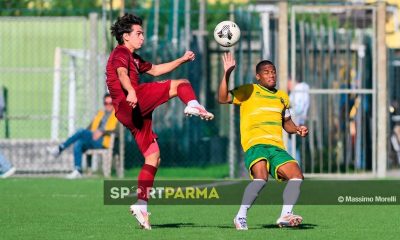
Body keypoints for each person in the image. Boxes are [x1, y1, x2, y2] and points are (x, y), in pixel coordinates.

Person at [106, 14, 214, 230]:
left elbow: (155, 69)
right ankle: (192, 103)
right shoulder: (120, 53)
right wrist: (130, 92)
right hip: (130, 101)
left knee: (153, 157)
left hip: (132, 113)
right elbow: (121, 74)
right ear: (125, 36)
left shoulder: (135, 58)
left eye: (143, 33)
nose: (142, 37)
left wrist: (181, 59)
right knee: (181, 84)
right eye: (138, 33)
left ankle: (141, 205)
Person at [218, 52, 308, 230]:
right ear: (258, 76)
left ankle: (285, 215)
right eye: (266, 72)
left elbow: (287, 123)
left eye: (273, 71)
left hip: (276, 146)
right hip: (255, 144)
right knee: (261, 178)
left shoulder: (282, 96)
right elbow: (222, 98)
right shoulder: (248, 90)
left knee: (297, 175)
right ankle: (241, 216)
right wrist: (227, 73)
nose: (271, 74)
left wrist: (297, 129)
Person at [47, 94, 118, 179]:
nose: (108, 105)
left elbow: (118, 131)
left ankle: (60, 148)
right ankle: (78, 170)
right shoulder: (100, 113)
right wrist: (91, 133)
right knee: (78, 142)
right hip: (93, 139)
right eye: (106, 103)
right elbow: (89, 128)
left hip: (104, 141)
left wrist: (102, 132)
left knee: (81, 131)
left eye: (111, 103)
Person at [287, 78, 310, 165]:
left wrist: (287, 113)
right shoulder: (300, 90)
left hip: (294, 123)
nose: (287, 86)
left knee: (292, 147)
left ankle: (295, 169)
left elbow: (298, 108)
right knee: (293, 147)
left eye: (287, 83)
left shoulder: (299, 90)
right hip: (295, 122)